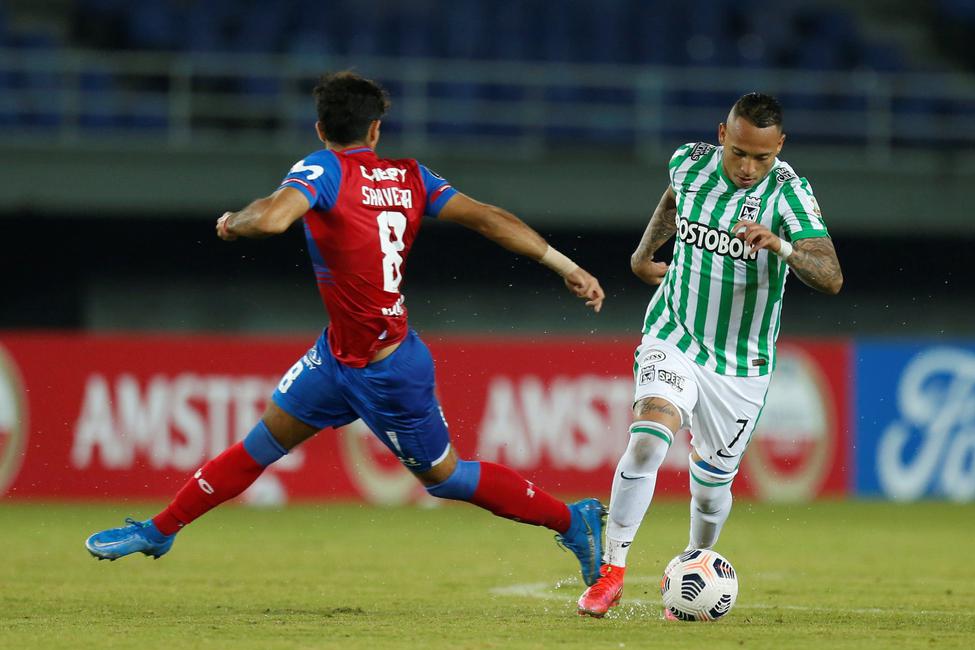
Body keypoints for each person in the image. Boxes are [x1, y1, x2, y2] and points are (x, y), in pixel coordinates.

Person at [85, 71, 608, 588]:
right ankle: (160, 529)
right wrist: (568, 267)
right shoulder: (412, 177)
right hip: (337, 357)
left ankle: (571, 520)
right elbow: (490, 218)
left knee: (445, 478)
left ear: (319, 129)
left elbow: (270, 220)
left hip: (388, 370)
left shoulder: (323, 169)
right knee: (260, 445)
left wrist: (231, 223)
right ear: (376, 130)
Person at [576, 93, 843, 618]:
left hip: (741, 366)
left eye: (761, 158)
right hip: (673, 333)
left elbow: (831, 277)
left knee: (710, 492)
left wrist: (783, 248)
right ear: (723, 134)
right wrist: (641, 253)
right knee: (650, 439)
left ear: (780, 147)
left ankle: (695, 561)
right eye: (739, 152)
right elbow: (675, 198)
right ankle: (612, 572)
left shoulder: (789, 195)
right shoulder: (688, 161)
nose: (748, 168)